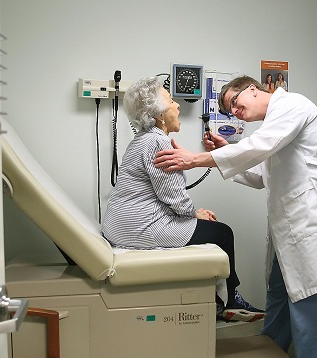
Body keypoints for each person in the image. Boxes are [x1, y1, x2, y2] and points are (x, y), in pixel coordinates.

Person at [153, 75, 317, 358]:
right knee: (279, 298)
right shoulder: (273, 124)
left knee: (311, 309)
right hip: (290, 229)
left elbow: (258, 148)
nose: (236, 113)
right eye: (230, 111)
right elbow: (259, 175)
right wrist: (221, 153)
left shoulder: (293, 105)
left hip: (311, 226)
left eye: (235, 104)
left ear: (253, 89)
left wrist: (198, 159)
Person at [101, 77, 264, 322]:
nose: (177, 106)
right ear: (159, 114)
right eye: (171, 101)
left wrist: (192, 213)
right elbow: (174, 197)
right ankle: (230, 301)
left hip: (120, 226)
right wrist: (195, 214)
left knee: (210, 228)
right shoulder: (158, 142)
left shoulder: (142, 140)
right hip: (140, 229)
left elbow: (162, 196)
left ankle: (223, 297)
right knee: (222, 233)